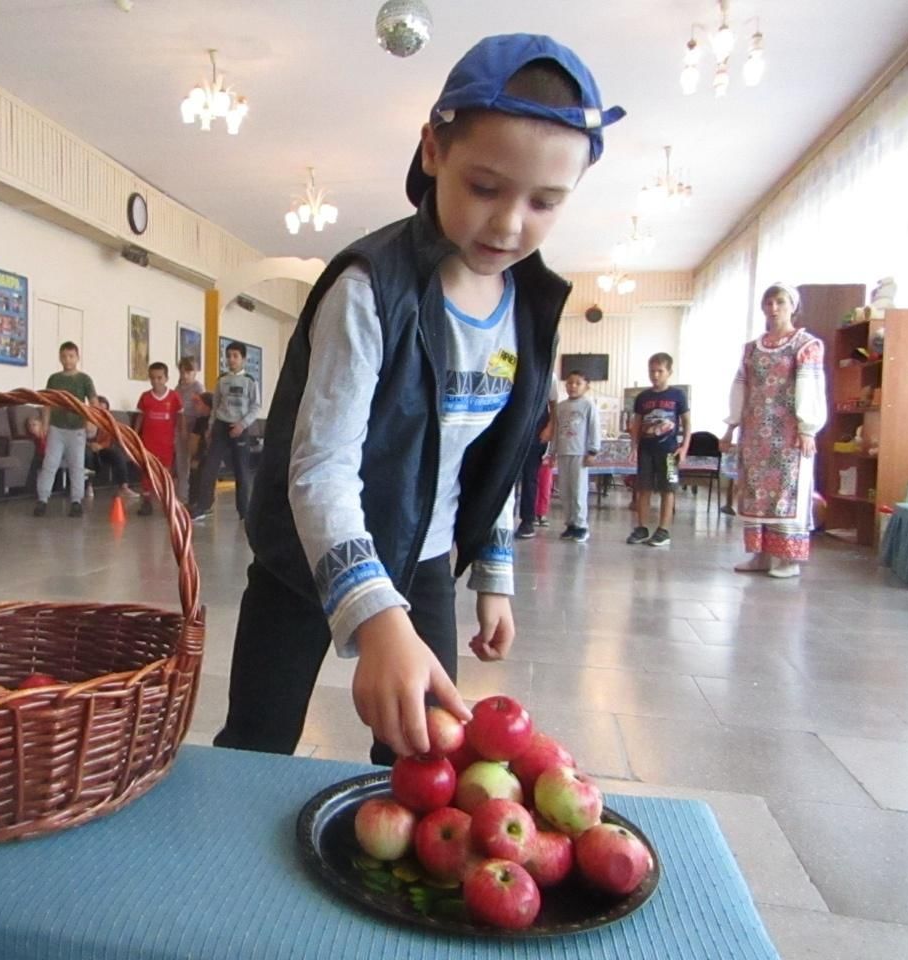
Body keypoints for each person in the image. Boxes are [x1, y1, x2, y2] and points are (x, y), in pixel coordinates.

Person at [212, 34, 623, 763]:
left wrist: (492, 575)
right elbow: (320, 471)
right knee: (256, 740)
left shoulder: (529, 307)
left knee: (423, 758)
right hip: (308, 555)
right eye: (486, 187)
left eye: (545, 202)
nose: (508, 223)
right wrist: (375, 616)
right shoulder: (370, 289)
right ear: (434, 150)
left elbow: (485, 459)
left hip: (427, 558)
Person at [721, 283, 826, 579]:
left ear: (793, 305)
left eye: (780, 301)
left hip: (788, 433)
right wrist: (731, 426)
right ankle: (761, 555)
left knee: (785, 492)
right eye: (768, 302)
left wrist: (808, 428)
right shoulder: (752, 349)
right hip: (755, 433)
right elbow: (740, 387)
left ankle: (786, 559)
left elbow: (810, 386)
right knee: (755, 491)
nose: (774, 307)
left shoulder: (806, 345)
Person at [190, 342, 261, 522]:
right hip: (221, 427)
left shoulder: (250, 382)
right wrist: (211, 427)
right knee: (209, 468)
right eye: (228, 356)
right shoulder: (221, 380)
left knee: (241, 472)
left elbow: (255, 407)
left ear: (243, 359)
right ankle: (203, 506)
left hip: (239, 428)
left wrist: (242, 425)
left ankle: (245, 512)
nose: (231, 359)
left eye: (235, 356)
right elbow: (215, 406)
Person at [627, 353, 690, 547]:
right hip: (646, 450)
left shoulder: (678, 395)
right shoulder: (642, 397)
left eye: (659, 371)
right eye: (652, 371)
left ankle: (663, 530)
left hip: (669, 451)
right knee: (643, 488)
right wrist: (634, 447)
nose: (655, 375)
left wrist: (684, 447)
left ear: (669, 372)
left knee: (667, 489)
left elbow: (687, 424)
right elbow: (636, 424)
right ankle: (642, 527)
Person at [33, 341, 96, 518]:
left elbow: (93, 401)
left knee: (77, 465)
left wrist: (92, 420)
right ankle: (42, 499)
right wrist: (45, 423)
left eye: (71, 356)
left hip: (77, 428)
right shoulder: (54, 379)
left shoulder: (84, 379)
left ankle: (76, 501)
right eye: (64, 356)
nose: (67, 360)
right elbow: (47, 402)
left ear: (77, 357)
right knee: (50, 464)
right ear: (60, 358)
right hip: (56, 428)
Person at [554, 370, 601, 543]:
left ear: (586, 386)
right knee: (565, 491)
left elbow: (594, 428)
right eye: (569, 382)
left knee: (578, 490)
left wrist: (593, 450)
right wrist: (552, 451)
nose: (572, 386)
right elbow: (556, 431)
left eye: (577, 383)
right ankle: (570, 524)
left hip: (579, 454)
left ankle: (581, 526)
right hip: (563, 452)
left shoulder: (588, 405)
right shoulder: (561, 406)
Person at [135, 362, 183, 516]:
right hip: (148, 443)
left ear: (166, 378)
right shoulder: (145, 397)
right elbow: (140, 417)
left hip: (166, 443)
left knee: (165, 472)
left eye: (159, 378)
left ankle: (167, 500)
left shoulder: (174, 397)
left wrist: (182, 436)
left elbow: (180, 417)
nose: (156, 381)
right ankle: (147, 500)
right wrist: (135, 435)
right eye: (152, 378)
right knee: (147, 472)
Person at [515, 374, 559, 538]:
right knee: (507, 477)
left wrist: (550, 427)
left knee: (530, 477)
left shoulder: (549, 375)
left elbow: (553, 405)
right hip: (514, 427)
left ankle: (527, 521)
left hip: (536, 430)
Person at [86, 396, 134, 500]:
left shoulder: (108, 422)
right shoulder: (85, 419)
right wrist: (90, 445)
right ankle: (88, 485)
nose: (101, 412)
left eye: (104, 410)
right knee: (88, 455)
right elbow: (78, 438)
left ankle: (123, 487)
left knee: (117, 455)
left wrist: (100, 446)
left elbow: (109, 440)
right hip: (86, 448)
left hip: (101, 448)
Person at [174, 358, 205, 507]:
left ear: (195, 372)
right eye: (183, 371)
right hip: (180, 427)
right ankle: (182, 497)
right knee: (181, 463)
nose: (185, 375)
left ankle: (196, 497)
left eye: (189, 371)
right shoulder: (177, 389)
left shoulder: (198, 388)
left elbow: (202, 409)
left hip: (195, 427)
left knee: (194, 462)